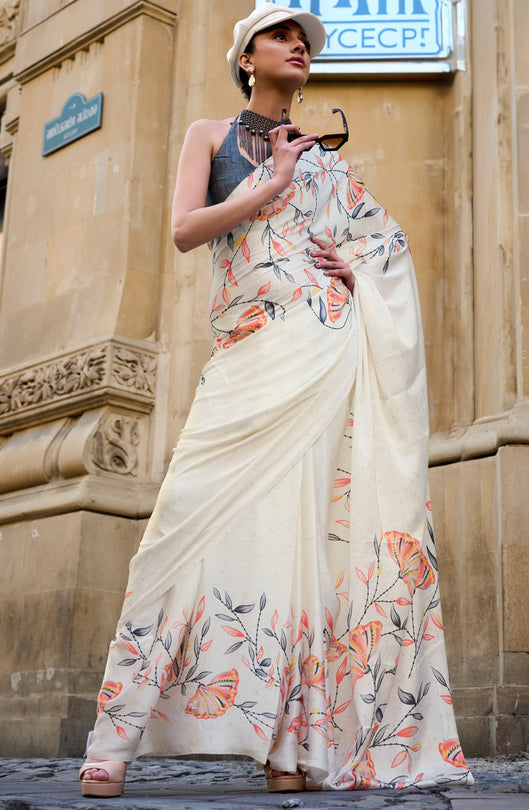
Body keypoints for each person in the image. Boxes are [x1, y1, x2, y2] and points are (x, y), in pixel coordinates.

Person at [79, 3, 473, 797]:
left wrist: (360, 278)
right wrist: (271, 185)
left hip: (322, 349)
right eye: (282, 36)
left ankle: (289, 748)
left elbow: (381, 245)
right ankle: (111, 740)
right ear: (247, 56)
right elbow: (187, 231)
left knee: (306, 540)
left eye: (305, 42)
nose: (298, 47)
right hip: (247, 354)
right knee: (179, 526)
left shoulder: (327, 164)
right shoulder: (211, 136)